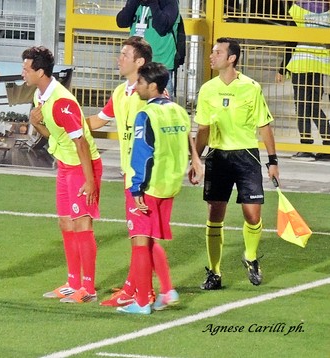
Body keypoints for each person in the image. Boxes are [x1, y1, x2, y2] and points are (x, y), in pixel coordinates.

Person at [87, 36, 175, 308]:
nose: (118, 58)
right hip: (132, 174)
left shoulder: (151, 95)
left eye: (124, 54)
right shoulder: (120, 92)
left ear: (140, 61)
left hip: (146, 178)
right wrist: (63, 119)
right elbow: (97, 121)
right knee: (142, 236)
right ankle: (138, 288)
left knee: (142, 236)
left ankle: (148, 294)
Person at [190, 38, 280, 290]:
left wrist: (273, 161)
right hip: (218, 157)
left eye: (218, 52)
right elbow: (203, 128)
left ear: (232, 58)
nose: (212, 55)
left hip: (246, 157)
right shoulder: (207, 89)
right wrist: (195, 159)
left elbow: (264, 125)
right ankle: (214, 273)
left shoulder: (251, 87)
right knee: (215, 213)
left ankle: (250, 257)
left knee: (253, 215)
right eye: (212, 51)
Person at [116, 62, 202, 315]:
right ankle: (166, 291)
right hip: (170, 185)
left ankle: (142, 302)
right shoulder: (178, 111)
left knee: (140, 241)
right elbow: (187, 139)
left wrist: (136, 188)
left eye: (140, 83)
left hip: (149, 187)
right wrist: (196, 160)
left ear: (152, 86)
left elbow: (143, 154)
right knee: (150, 239)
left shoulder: (146, 114)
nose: (137, 87)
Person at [21, 46, 102, 304]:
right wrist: (35, 123)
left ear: (40, 71)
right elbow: (53, 136)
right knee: (66, 222)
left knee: (82, 223)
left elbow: (82, 144)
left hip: (81, 165)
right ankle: (72, 282)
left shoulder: (62, 102)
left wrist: (90, 181)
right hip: (66, 164)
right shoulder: (39, 96)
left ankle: (88, 288)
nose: (22, 72)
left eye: (26, 68)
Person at [275, 1, 330, 161]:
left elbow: (291, 42)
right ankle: (327, 142)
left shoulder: (298, 11)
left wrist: (282, 68)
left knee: (301, 105)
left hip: (301, 61)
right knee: (313, 105)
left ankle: (306, 145)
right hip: (320, 63)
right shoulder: (327, 11)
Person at [116, 0, 180, 96]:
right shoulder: (136, 2)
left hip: (159, 68)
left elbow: (162, 26)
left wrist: (153, 3)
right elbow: (121, 22)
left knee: (160, 106)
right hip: (136, 66)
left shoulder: (169, 2)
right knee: (133, 104)